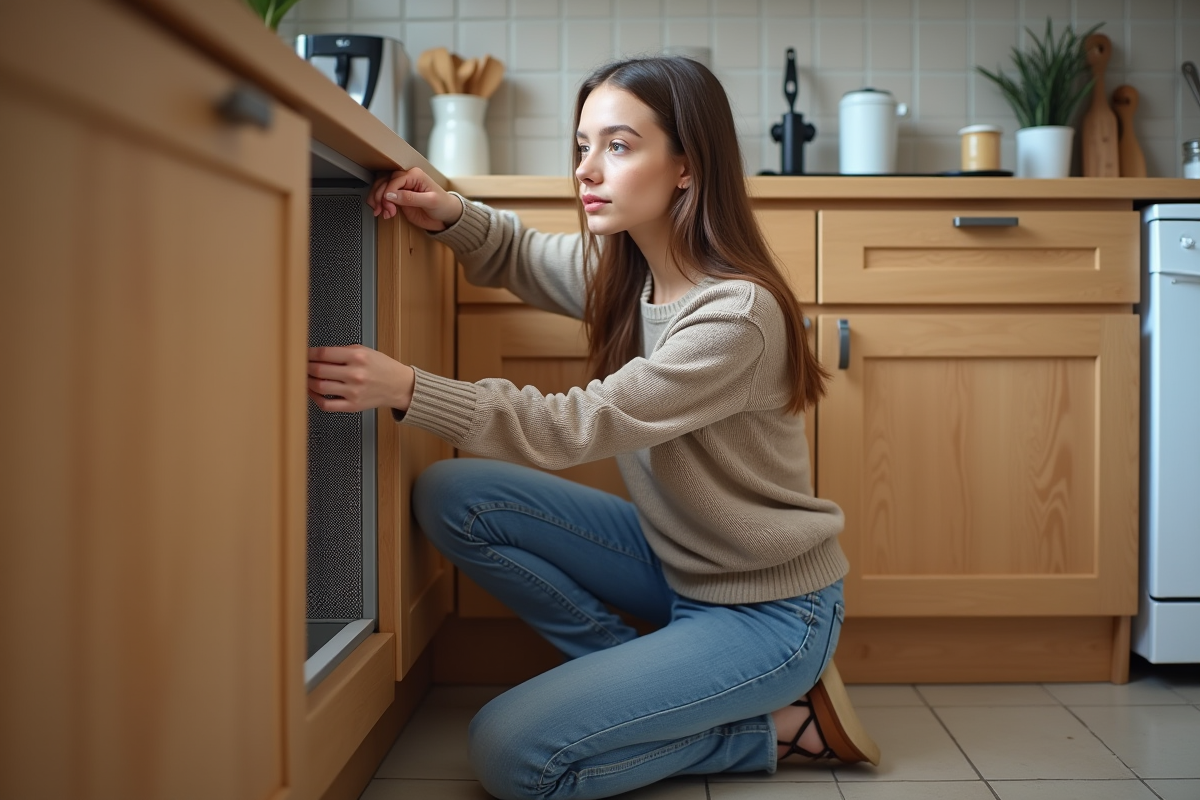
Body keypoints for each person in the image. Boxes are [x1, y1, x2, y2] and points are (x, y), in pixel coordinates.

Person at [307, 55, 880, 800]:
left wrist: (409, 388)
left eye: (619, 145)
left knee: (511, 754)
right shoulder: (629, 273)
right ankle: (640, 673)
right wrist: (449, 211)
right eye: (582, 145)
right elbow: (520, 255)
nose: (587, 169)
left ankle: (775, 725)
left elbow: (577, 425)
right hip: (675, 559)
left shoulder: (733, 316)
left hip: (767, 612)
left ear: (685, 165)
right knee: (453, 493)